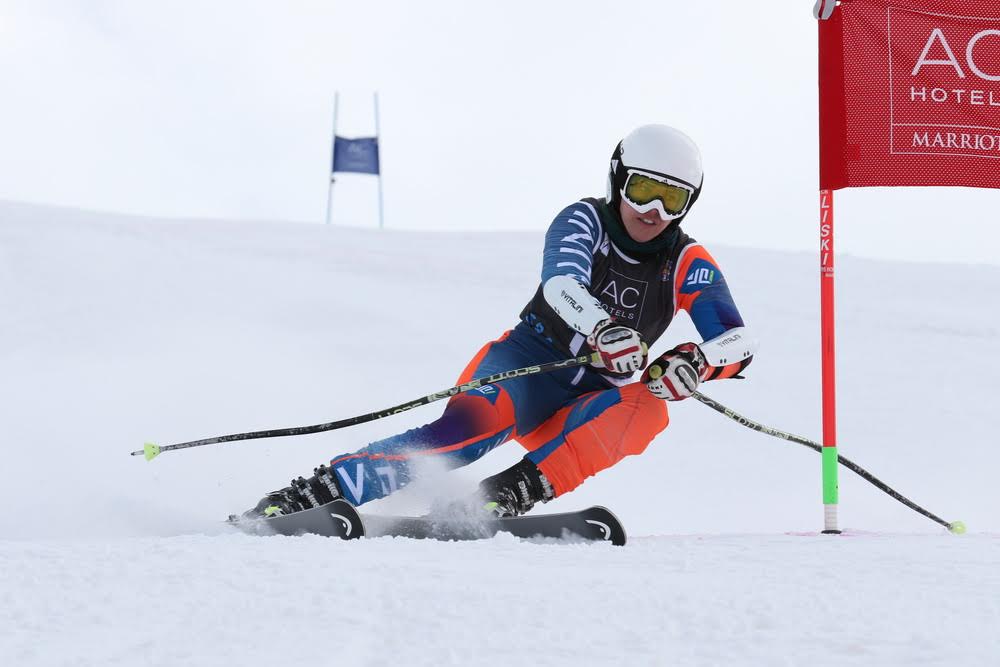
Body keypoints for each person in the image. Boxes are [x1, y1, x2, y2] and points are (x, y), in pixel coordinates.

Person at [245, 124, 756, 519]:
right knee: (462, 437)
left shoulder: (686, 261)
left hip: (586, 404)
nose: (653, 210)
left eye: (672, 199)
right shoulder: (586, 220)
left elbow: (737, 342)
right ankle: (313, 494)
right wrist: (603, 329)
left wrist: (697, 364)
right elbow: (562, 285)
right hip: (526, 366)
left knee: (650, 409)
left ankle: (498, 499)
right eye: (643, 189)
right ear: (618, 179)